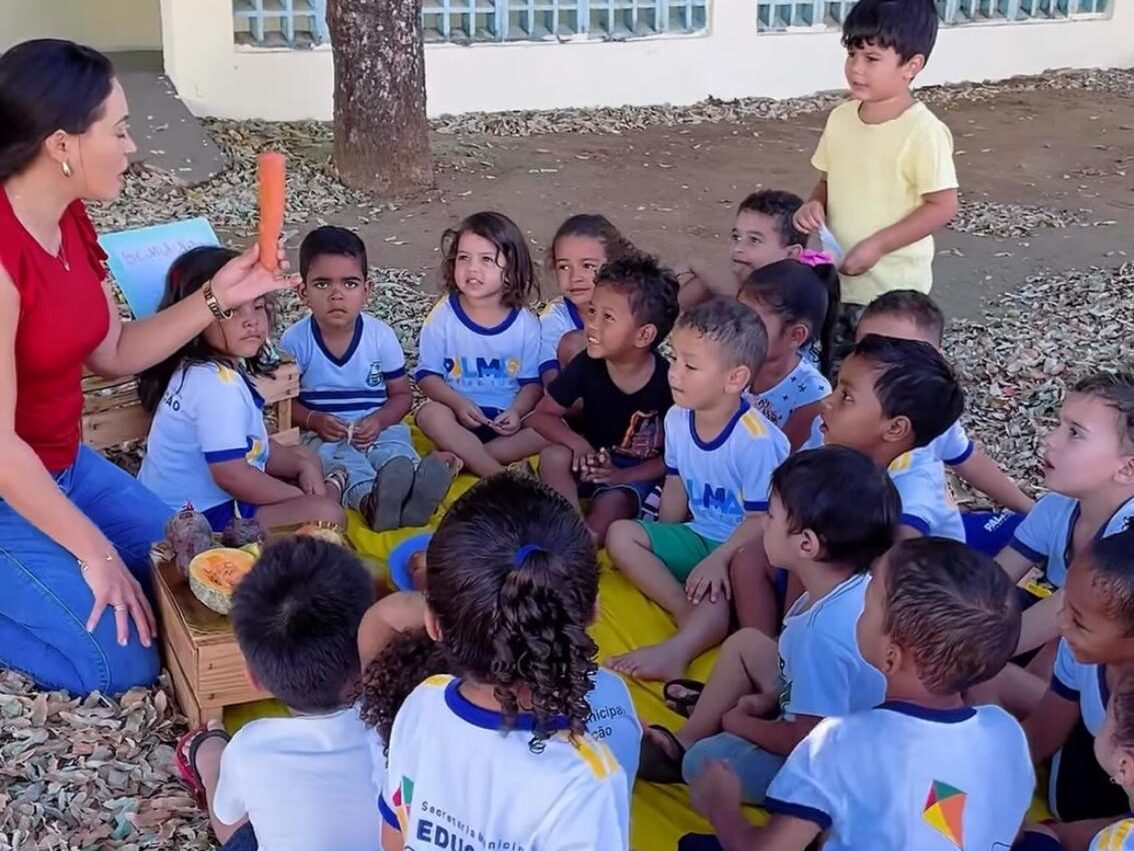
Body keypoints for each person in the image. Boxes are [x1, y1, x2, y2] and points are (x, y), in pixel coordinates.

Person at [0, 39, 291, 696]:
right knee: (122, 662)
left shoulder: (69, 219)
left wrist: (219, 295)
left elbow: (114, 350)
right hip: (8, 485)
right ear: (62, 144)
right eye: (119, 130)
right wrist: (94, 552)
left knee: (189, 569)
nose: (132, 147)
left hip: (65, 467)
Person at [687, 538, 1033, 851]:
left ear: (891, 656)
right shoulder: (1005, 731)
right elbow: (1009, 831)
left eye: (867, 603)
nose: (858, 605)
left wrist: (722, 805)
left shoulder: (839, 741)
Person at [378, 473, 630, 851]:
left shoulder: (421, 703)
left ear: (433, 622)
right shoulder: (586, 781)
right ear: (593, 610)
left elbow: (394, 837)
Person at [639, 447, 896, 805]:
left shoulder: (821, 634)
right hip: (827, 710)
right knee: (746, 642)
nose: (762, 523)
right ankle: (688, 737)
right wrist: (769, 700)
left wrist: (738, 722)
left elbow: (804, 739)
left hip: (835, 761)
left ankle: (694, 746)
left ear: (806, 543)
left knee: (704, 763)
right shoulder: (849, 589)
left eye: (771, 516)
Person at [605, 299, 790, 682]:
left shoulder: (756, 441)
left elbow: (761, 519)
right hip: (698, 535)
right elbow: (675, 485)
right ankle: (683, 609)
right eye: (674, 359)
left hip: (743, 551)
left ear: (735, 379)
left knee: (713, 590)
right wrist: (661, 538)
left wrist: (718, 560)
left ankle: (679, 650)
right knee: (621, 535)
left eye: (690, 366)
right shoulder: (677, 418)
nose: (674, 373)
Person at [174, 536, 380, 851]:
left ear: (253, 678)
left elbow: (228, 815)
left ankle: (208, 756)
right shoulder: (400, 722)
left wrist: (216, 762)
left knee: (233, 814)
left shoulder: (249, 746)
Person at [793, 0, 958, 358]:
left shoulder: (923, 132)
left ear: (912, 66)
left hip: (893, 294)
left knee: (884, 378)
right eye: (852, 54)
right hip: (838, 281)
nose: (856, 68)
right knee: (837, 373)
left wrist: (878, 246)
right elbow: (827, 180)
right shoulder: (841, 118)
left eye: (871, 58)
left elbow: (942, 205)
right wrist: (814, 205)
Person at [138, 247, 345, 531]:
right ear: (196, 316)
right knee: (326, 514)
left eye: (258, 306)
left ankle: (327, 488)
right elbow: (231, 476)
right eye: (231, 310)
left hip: (175, 502)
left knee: (307, 459)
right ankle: (333, 490)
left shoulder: (203, 368)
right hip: (193, 521)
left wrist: (301, 467)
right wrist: (297, 498)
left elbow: (254, 444)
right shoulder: (217, 387)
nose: (252, 321)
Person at [280, 226, 454, 532]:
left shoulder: (380, 336)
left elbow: (401, 395)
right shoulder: (295, 341)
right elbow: (283, 405)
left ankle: (413, 495)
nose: (336, 294)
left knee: (396, 452)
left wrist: (379, 421)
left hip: (378, 426)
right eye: (322, 284)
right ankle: (370, 504)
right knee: (339, 463)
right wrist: (314, 420)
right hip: (324, 433)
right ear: (303, 292)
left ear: (367, 290)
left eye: (349, 283)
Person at [530, 252, 678, 544]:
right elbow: (542, 415)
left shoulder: (670, 383)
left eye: (607, 317)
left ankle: (583, 541)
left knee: (614, 503)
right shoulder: (587, 364)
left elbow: (675, 461)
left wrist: (623, 477)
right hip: (588, 460)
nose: (592, 325)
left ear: (644, 335)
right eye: (592, 311)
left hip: (632, 474)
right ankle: (571, 530)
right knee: (553, 456)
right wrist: (577, 444)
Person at [855, 289, 1034, 517]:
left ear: (935, 359)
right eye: (865, 350)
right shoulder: (840, 415)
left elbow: (967, 460)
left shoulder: (932, 411)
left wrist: (1031, 510)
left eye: (900, 354)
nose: (876, 365)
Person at [998, 373, 1134, 658]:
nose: (1050, 440)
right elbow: (994, 579)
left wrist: (972, 654)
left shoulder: (1127, 538)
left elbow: (1063, 610)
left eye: (1074, 433)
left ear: (1127, 468)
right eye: (1058, 425)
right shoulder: (1057, 507)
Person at [414, 211, 546, 477]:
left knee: (551, 428)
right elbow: (427, 376)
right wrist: (458, 403)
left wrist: (516, 412)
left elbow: (532, 384)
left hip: (507, 425)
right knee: (429, 415)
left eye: (486, 259)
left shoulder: (525, 323)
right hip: (458, 419)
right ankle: (499, 476)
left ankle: (465, 460)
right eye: (464, 258)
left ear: (510, 271)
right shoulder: (443, 316)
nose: (472, 268)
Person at [1022, 530, 1134, 834]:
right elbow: (1041, 733)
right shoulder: (1078, 651)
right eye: (1065, 603)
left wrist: (1061, 836)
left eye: (1079, 622)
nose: (1062, 624)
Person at [737, 259, 837, 449]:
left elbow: (781, 455)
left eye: (753, 322)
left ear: (795, 335)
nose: (738, 328)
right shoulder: (738, 360)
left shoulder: (812, 393)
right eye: (738, 315)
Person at [539, 213, 633, 385]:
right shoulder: (556, 316)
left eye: (588, 266)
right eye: (564, 267)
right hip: (575, 396)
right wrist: (555, 395)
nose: (575, 277)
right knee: (574, 344)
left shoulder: (630, 306)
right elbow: (548, 369)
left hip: (629, 392)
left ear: (614, 265)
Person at [677, 190, 811, 311]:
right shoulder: (731, 279)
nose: (738, 248)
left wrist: (706, 271)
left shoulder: (801, 299)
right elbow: (678, 306)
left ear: (791, 254)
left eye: (754, 240)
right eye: (736, 237)